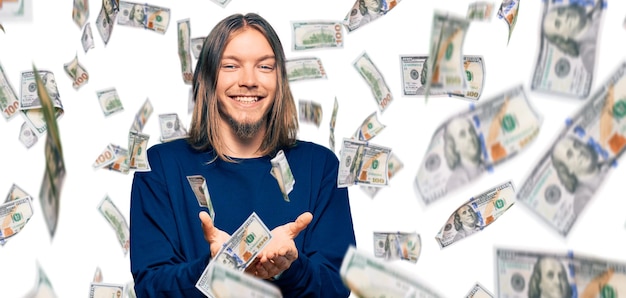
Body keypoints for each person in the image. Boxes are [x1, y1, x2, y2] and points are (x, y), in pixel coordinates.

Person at [129, 13, 356, 297]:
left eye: (264, 66)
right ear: (208, 77)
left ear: (279, 80)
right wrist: (215, 269)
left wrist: (289, 268)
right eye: (231, 65)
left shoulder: (320, 167)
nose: (248, 80)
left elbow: (336, 287)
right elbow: (151, 287)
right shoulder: (160, 168)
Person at [550, 135, 610, 217]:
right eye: (570, 155)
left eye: (577, 145)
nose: (578, 152)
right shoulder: (582, 201)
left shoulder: (609, 164)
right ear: (568, 170)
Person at [542, 0, 603, 74]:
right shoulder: (588, 55)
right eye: (558, 24)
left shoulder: (597, 7)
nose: (565, 17)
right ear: (563, 38)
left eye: (560, 12)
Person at [443, 117, 484, 191]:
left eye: (471, 131)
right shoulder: (455, 182)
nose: (470, 137)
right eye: (462, 135)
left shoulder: (487, 165)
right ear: (455, 147)